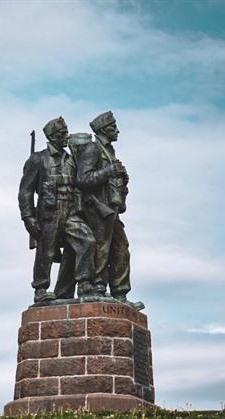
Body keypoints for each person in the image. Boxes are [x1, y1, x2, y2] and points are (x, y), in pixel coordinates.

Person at [17, 116, 96, 303]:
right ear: (52, 136)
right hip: (49, 213)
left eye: (66, 132)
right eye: (62, 133)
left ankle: (84, 282)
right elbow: (25, 192)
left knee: (87, 240)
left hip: (70, 211)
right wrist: (28, 217)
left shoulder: (71, 159)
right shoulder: (38, 159)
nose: (66, 136)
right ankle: (40, 289)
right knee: (46, 252)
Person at [76, 111, 143, 310]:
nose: (117, 131)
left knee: (121, 250)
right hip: (97, 207)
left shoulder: (109, 151)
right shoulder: (93, 149)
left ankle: (120, 293)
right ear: (105, 129)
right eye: (114, 127)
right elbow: (83, 179)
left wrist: (122, 178)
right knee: (101, 249)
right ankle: (97, 289)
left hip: (111, 208)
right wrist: (109, 171)